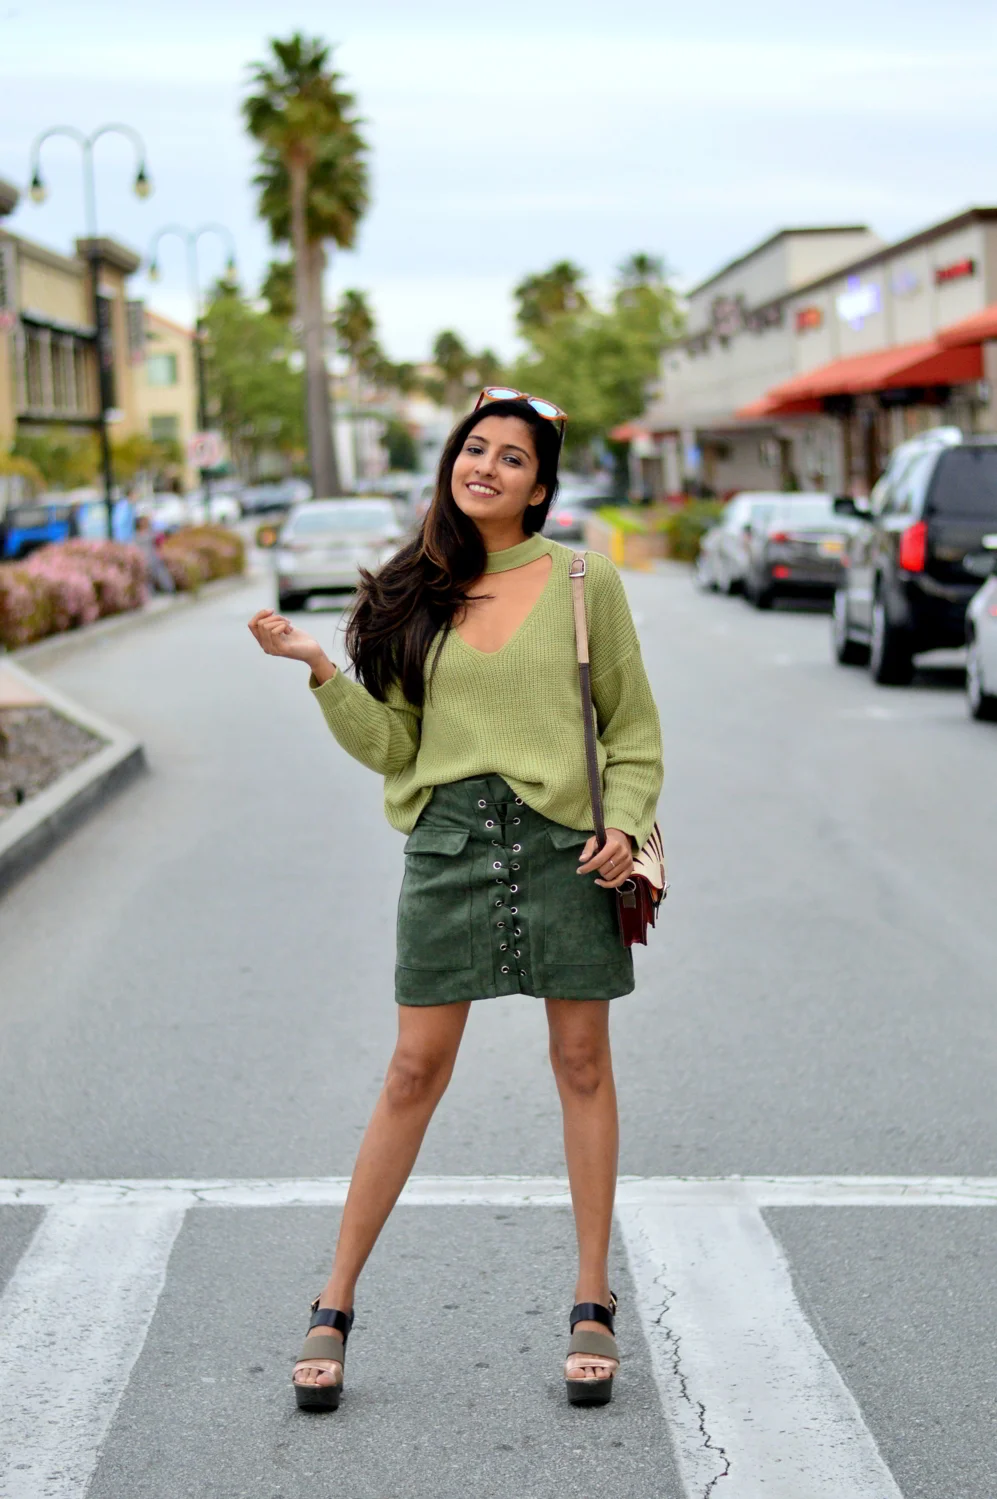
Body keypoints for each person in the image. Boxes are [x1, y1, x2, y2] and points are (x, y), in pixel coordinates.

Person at [248, 390, 663, 1412]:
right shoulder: (415, 592)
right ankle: (334, 1302)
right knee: (410, 1071)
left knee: (581, 1062)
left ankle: (592, 1298)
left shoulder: (584, 581)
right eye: (474, 448)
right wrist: (319, 669)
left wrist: (624, 823)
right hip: (448, 844)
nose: (486, 466)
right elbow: (395, 746)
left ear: (539, 486)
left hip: (567, 848)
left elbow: (632, 730)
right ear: (450, 463)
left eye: (511, 457)